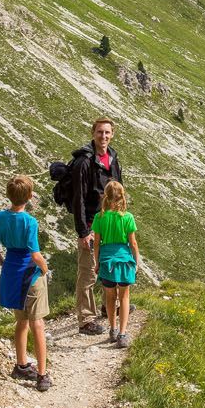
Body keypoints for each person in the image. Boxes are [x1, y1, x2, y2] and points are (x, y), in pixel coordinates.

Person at [0, 174, 51, 391]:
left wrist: (4, 263)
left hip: (11, 273)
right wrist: (45, 268)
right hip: (29, 275)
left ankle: (21, 365)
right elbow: (35, 254)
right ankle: (42, 375)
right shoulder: (30, 222)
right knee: (37, 324)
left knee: (21, 322)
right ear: (30, 197)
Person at [69, 117, 122, 335]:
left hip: (109, 222)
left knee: (108, 263)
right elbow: (78, 198)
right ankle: (86, 319)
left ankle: (107, 306)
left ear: (112, 135)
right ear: (93, 133)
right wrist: (83, 231)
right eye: (100, 132)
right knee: (88, 272)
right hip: (91, 224)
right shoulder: (85, 162)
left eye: (107, 133)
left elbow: (119, 189)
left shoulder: (113, 157)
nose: (104, 136)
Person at [91, 180, 140, 347]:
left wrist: (96, 262)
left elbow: (96, 243)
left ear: (106, 196)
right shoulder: (127, 217)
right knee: (124, 296)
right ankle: (123, 333)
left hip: (106, 260)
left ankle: (112, 329)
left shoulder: (99, 217)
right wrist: (136, 262)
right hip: (124, 260)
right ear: (121, 197)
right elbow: (133, 243)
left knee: (110, 297)